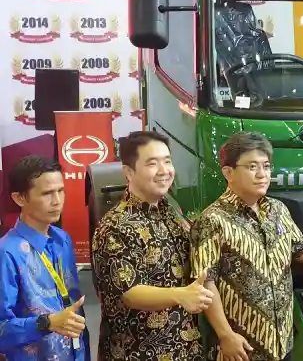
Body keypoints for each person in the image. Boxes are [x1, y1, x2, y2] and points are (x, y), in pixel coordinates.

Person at [190, 131, 303, 361]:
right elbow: (206, 282)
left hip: (281, 342)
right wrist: (226, 335)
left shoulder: (277, 209)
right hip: (241, 347)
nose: (262, 174)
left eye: (266, 166)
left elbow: (302, 248)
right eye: (252, 167)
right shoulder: (212, 220)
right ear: (228, 172)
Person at [92, 131, 213, 360]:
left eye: (167, 161)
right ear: (128, 172)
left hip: (183, 348)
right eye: (152, 163)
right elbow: (130, 292)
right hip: (138, 352)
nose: (164, 170)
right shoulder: (116, 225)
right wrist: (181, 295)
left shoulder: (171, 212)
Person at [0, 156, 89, 361]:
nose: (57, 201)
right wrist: (46, 323)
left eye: (60, 191)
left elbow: (73, 302)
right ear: (19, 198)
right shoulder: (7, 253)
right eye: (47, 193)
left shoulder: (62, 240)